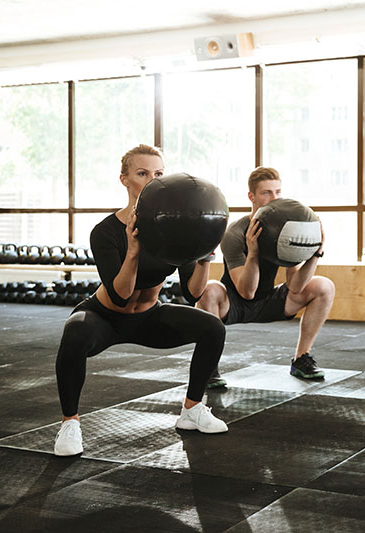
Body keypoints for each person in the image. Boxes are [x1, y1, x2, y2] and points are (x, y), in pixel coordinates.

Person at [53, 144, 227, 457]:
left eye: (159, 173)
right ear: (125, 179)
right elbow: (119, 295)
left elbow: (194, 293)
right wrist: (133, 248)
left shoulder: (175, 229)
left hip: (149, 317)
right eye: (142, 173)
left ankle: (191, 409)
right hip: (105, 316)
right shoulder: (106, 232)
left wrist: (204, 258)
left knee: (212, 327)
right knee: (75, 331)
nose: (153, 180)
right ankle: (70, 423)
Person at [198, 167, 335, 385]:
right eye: (266, 193)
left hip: (269, 301)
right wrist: (253, 252)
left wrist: (315, 253)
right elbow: (246, 292)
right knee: (209, 290)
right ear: (251, 196)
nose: (274, 198)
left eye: (277, 192)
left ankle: (301, 359)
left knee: (324, 286)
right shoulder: (234, 234)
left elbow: (295, 286)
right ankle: (208, 366)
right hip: (234, 304)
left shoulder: (285, 229)